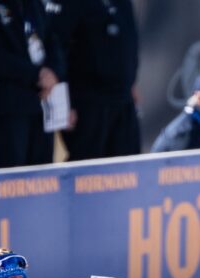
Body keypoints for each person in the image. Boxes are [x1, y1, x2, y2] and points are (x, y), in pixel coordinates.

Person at [0, 0, 65, 168]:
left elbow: (52, 39)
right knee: (12, 181)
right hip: (10, 108)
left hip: (42, 106)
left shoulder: (35, 4)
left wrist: (54, 73)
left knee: (44, 180)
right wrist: (36, 74)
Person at [45, 0, 141, 161]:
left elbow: (128, 40)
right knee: (88, 173)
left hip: (123, 100)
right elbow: (55, 46)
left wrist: (130, 81)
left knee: (129, 170)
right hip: (88, 103)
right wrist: (63, 102)